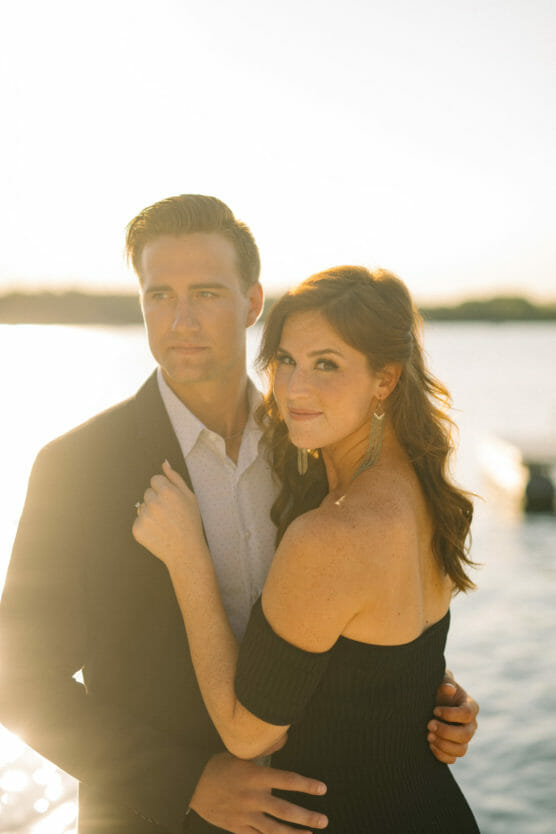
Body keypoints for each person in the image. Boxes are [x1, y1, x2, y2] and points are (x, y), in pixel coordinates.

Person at [0, 196, 478, 834]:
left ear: (253, 303)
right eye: (160, 294)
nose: (181, 320)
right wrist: (186, 784)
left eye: (206, 293)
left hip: (330, 809)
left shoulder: (316, 446)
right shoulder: (76, 466)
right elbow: (18, 678)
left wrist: (430, 693)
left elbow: (354, 610)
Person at [132, 265, 480, 832]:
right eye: (286, 361)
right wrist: (442, 701)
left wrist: (187, 557)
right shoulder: (426, 489)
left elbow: (250, 733)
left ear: (385, 380)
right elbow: (384, 662)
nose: (294, 388)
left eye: (327, 364)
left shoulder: (332, 534)